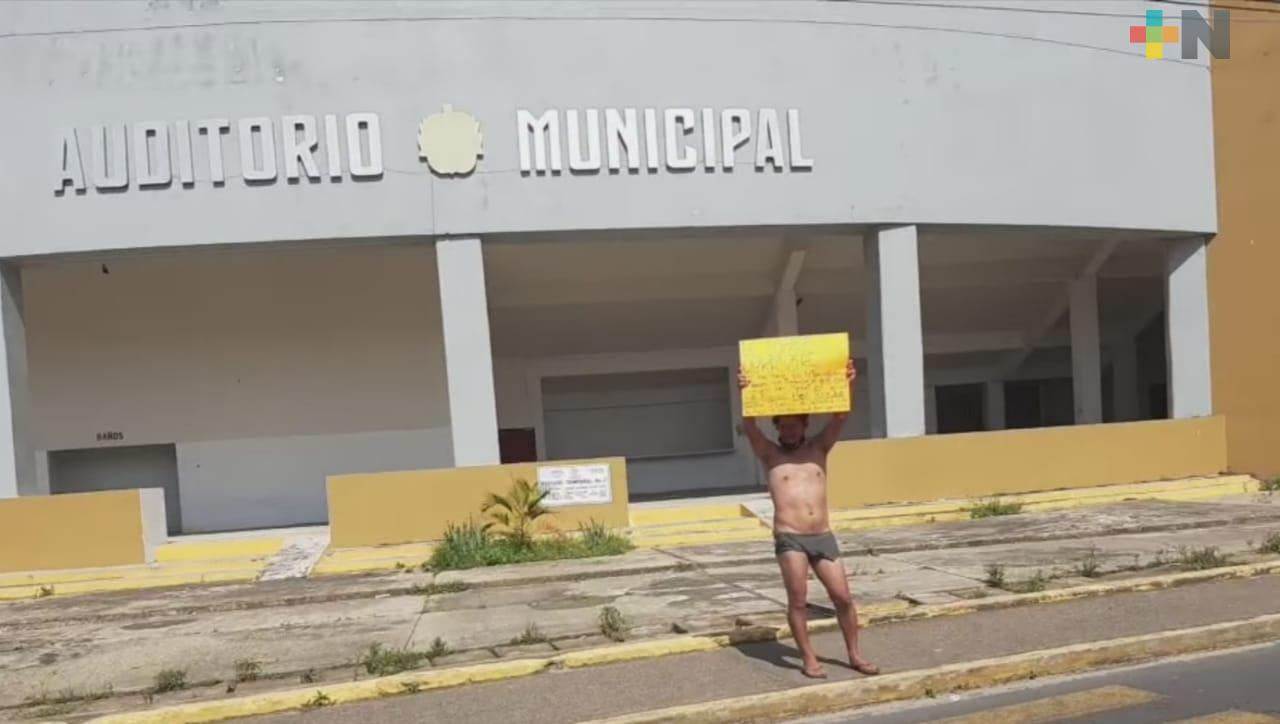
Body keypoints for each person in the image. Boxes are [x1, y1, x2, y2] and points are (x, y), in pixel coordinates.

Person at [738, 359, 878, 679]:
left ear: (804, 424)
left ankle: (855, 654)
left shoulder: (819, 448)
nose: (788, 430)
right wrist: (745, 390)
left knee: (843, 598)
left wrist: (848, 383)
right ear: (779, 428)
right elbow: (750, 427)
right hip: (790, 537)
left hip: (823, 535)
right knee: (798, 600)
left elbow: (841, 416)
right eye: (783, 426)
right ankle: (808, 658)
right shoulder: (770, 454)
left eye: (794, 424)